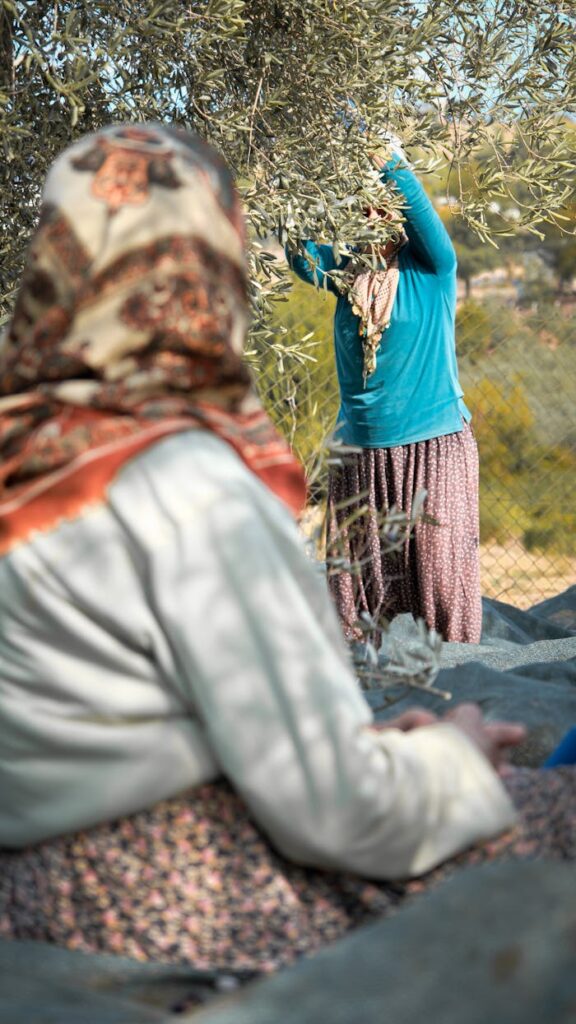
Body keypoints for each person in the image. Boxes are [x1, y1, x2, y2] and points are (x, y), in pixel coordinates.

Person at [0, 125, 573, 977]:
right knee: (556, 812)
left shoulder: (26, 450)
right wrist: (448, 759)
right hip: (159, 892)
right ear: (210, 271)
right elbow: (331, 808)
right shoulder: (186, 486)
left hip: (31, 879)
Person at [286, 143, 481, 645]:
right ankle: (361, 706)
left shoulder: (432, 269)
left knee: (440, 585)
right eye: (359, 209)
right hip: (358, 456)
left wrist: (380, 154)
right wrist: (289, 173)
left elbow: (420, 209)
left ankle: (462, 689)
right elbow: (297, 251)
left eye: (380, 208)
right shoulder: (344, 274)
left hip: (432, 451)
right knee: (355, 596)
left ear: (396, 216)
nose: (370, 217)